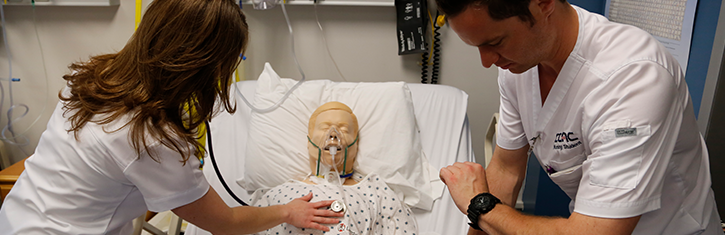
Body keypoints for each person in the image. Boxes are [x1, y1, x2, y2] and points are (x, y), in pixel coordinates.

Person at [0, 0, 343, 234]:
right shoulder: (150, 141)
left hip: (16, 219)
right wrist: (288, 211)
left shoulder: (96, 75)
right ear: (204, 64)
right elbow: (224, 222)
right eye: (233, 58)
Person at [436, 0, 723, 234]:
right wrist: (481, 214)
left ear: (543, 4)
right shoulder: (517, 65)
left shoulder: (633, 78)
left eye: (495, 42)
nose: (487, 61)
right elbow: (506, 169)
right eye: (478, 46)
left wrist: (481, 205)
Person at [249, 101, 418, 234]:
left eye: (344, 129)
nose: (333, 133)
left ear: (356, 143)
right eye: (324, 127)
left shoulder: (378, 193)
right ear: (309, 142)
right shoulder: (277, 197)